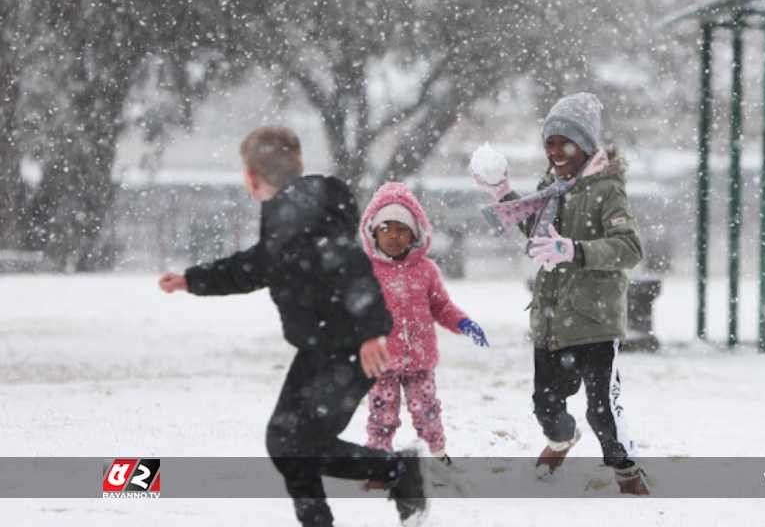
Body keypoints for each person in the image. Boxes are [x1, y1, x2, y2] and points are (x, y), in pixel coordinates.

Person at [158, 126, 428, 526]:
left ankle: (395, 474)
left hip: (351, 351)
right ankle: (346, 500)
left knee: (299, 443)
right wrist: (193, 280)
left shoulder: (306, 213)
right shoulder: (286, 216)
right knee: (284, 441)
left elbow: (352, 267)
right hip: (321, 348)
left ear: (251, 177)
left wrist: (370, 331)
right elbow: (256, 266)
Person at [477, 92, 651, 495]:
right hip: (553, 319)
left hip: (594, 321)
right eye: (550, 143)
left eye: (565, 142)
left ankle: (626, 470)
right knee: (545, 404)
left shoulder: (607, 190)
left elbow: (630, 247)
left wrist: (575, 250)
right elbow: (534, 229)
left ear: (586, 144)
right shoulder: (550, 187)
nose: (556, 151)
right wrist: (502, 193)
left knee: (601, 410)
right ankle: (560, 440)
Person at [358, 182, 488, 485]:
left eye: (402, 230)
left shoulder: (426, 270)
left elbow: (442, 307)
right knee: (381, 417)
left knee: (426, 411)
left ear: (415, 235)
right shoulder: (366, 272)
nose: (393, 236)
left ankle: (438, 455)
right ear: (373, 233)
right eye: (386, 228)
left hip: (419, 361)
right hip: (381, 364)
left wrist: (464, 323)